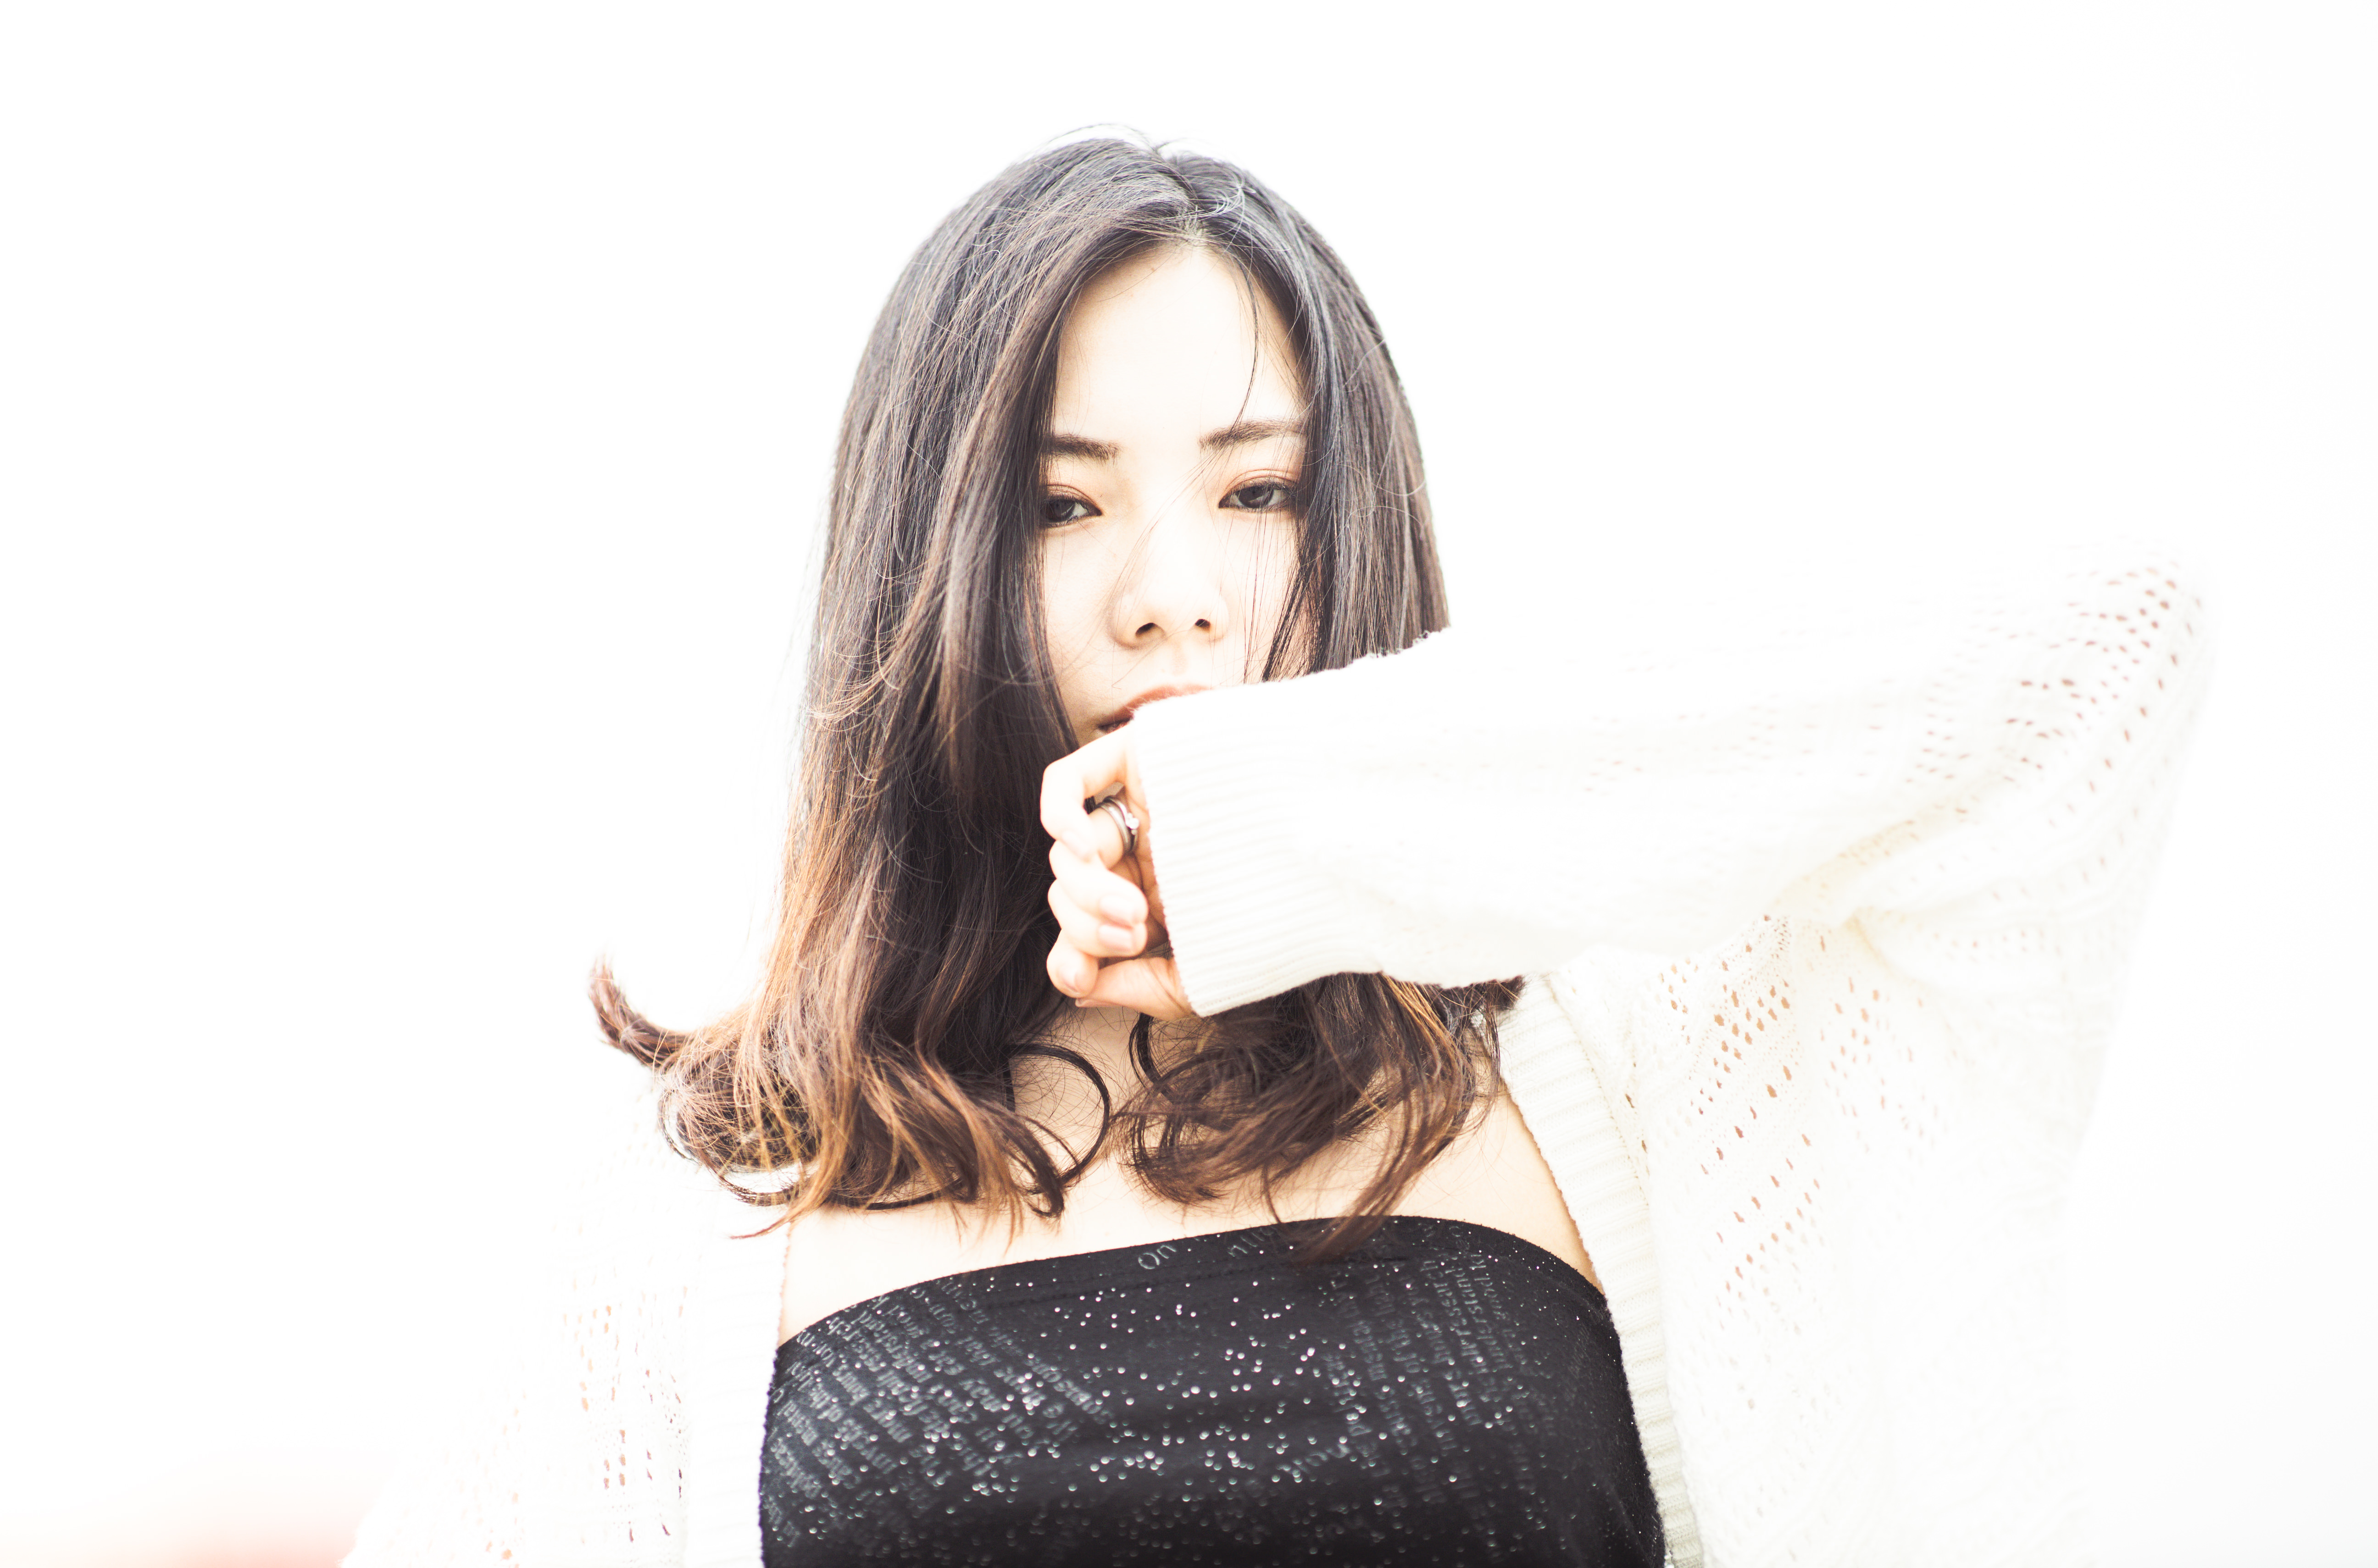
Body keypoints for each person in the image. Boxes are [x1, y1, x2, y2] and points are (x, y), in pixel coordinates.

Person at [345, 138, 2209, 1567]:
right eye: (1061, 505)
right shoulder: (701, 1202)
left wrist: (1297, 831)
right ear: (928, 571)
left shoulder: (1633, 1060)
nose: (1174, 595)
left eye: (1260, 492)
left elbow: (2097, 658)